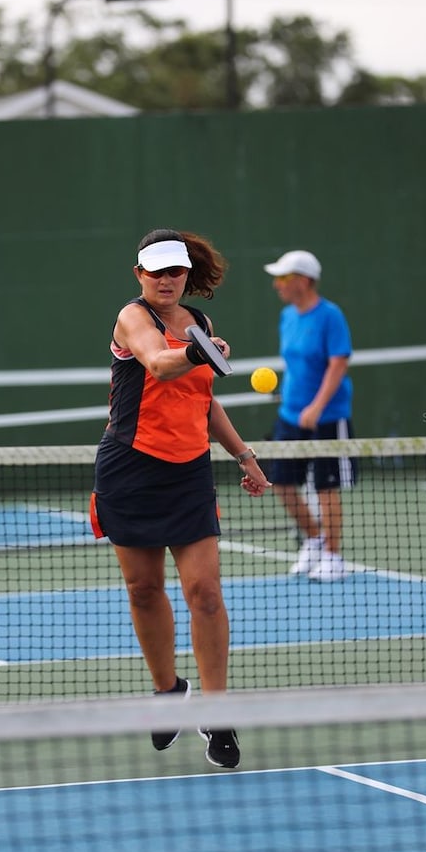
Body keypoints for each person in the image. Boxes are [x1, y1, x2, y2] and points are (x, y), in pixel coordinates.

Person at [90, 228, 271, 769]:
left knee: (205, 591)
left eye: (176, 272)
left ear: (187, 275)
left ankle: (216, 713)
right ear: (139, 275)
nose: (167, 280)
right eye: (156, 272)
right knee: (144, 590)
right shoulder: (133, 318)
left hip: (189, 471)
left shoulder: (201, 323)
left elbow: (204, 400)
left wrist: (244, 456)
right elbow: (161, 365)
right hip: (130, 467)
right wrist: (199, 351)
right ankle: (169, 690)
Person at [263, 249, 354, 582]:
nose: (277, 285)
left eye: (283, 278)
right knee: (281, 482)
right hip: (290, 415)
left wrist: (316, 406)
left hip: (327, 415)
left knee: (325, 488)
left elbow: (338, 363)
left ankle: (333, 555)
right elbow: (296, 364)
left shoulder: (330, 316)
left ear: (303, 281)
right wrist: (288, 396)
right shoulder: (288, 316)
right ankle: (314, 538)